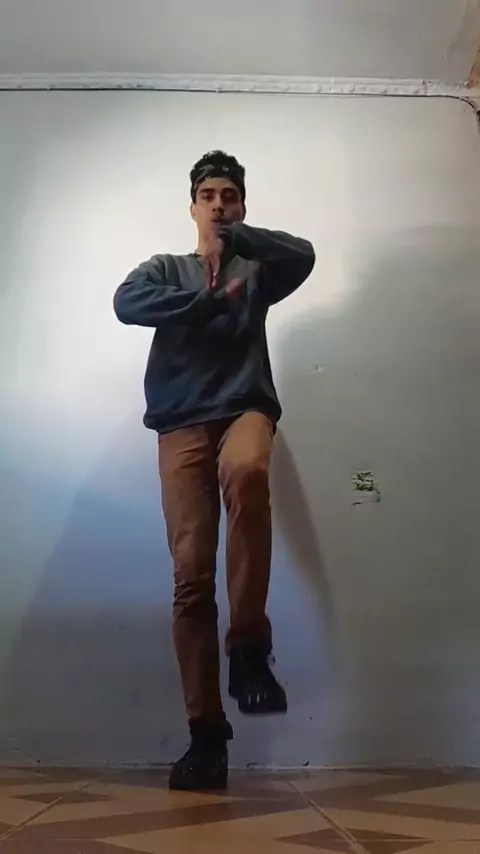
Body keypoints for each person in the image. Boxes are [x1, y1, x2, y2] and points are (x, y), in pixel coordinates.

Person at [113, 150, 315, 791]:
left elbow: (303, 255)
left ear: (242, 205)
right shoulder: (163, 269)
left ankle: (249, 647)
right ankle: (206, 737)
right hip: (180, 424)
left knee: (249, 471)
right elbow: (126, 302)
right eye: (209, 195)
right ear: (193, 205)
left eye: (230, 195)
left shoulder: (256, 268)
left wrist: (240, 241)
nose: (219, 203)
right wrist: (204, 302)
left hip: (243, 407)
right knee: (191, 576)